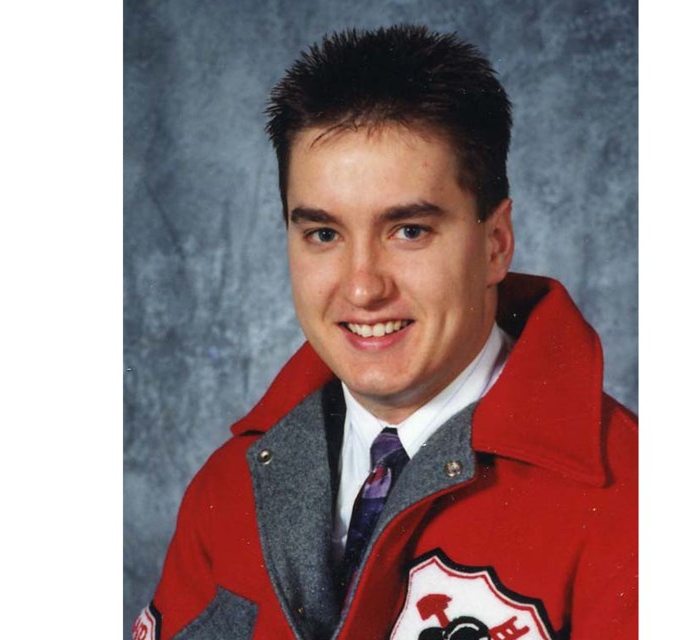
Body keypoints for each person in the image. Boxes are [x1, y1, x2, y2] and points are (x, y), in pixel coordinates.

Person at [133, 24, 637, 640]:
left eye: (409, 231)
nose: (363, 287)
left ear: (495, 245)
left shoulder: (631, 504)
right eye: (324, 234)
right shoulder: (226, 489)